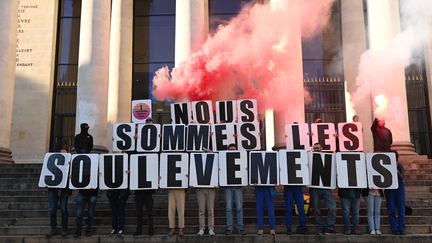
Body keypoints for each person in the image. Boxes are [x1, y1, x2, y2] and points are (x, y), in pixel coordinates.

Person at [134, 118, 155, 236]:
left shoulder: (154, 149)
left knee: (149, 211)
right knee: (139, 211)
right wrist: (136, 140)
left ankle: (151, 229)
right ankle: (139, 230)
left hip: (148, 187)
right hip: (139, 186)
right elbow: (131, 154)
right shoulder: (138, 147)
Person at [309, 143, 336, 235]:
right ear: (313, 149)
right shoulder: (310, 158)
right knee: (316, 208)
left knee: (332, 207)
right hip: (314, 188)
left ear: (321, 148)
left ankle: (329, 225)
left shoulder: (327, 157)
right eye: (315, 148)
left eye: (318, 148)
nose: (317, 149)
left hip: (325, 187)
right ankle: (321, 226)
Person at [46, 149, 71, 237]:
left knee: (64, 209)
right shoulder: (52, 163)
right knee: (52, 209)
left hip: (64, 190)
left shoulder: (69, 166)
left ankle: (64, 229)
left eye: (65, 154)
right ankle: (53, 228)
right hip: (53, 189)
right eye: (61, 154)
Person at [224, 144, 245, 235]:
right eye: (230, 150)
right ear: (228, 150)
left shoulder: (241, 159)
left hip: (238, 187)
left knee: (239, 207)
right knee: (229, 208)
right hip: (228, 187)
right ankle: (229, 228)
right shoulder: (224, 159)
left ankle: (240, 228)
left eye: (234, 150)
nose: (232, 151)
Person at [385, 151, 406, 235]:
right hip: (389, 188)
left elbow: (402, 177)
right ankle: (394, 228)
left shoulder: (400, 166)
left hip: (399, 187)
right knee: (391, 208)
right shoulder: (386, 166)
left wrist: (396, 169)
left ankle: (401, 228)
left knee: (401, 208)